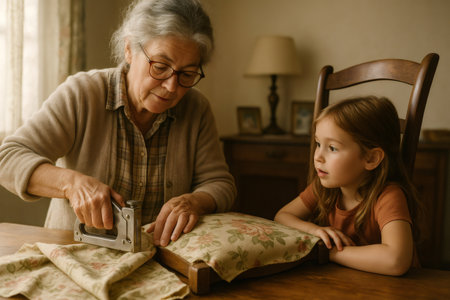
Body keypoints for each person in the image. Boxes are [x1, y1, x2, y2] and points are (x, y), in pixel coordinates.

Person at [0, 0, 236, 247]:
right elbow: (9, 158)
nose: (171, 86)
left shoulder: (196, 109)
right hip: (74, 254)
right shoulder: (82, 94)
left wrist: (194, 202)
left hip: (161, 260)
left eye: (187, 74)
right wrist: (72, 184)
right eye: (161, 66)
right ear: (129, 50)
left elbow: (220, 183)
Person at [274, 96, 422, 276]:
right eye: (319, 144)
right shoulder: (324, 188)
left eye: (333, 148)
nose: (318, 156)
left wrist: (328, 252)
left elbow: (396, 261)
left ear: (371, 158)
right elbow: (282, 216)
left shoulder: (388, 196)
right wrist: (315, 230)